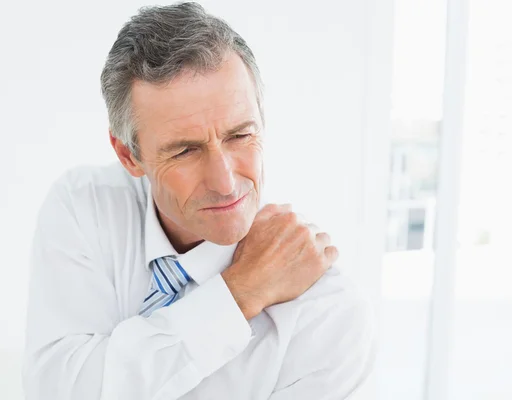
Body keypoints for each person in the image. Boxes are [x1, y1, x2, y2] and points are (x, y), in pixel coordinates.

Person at [22, 2, 376, 399]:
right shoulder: (85, 207)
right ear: (128, 156)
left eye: (240, 135)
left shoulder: (328, 314)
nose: (225, 183)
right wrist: (238, 293)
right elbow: (57, 390)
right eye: (185, 151)